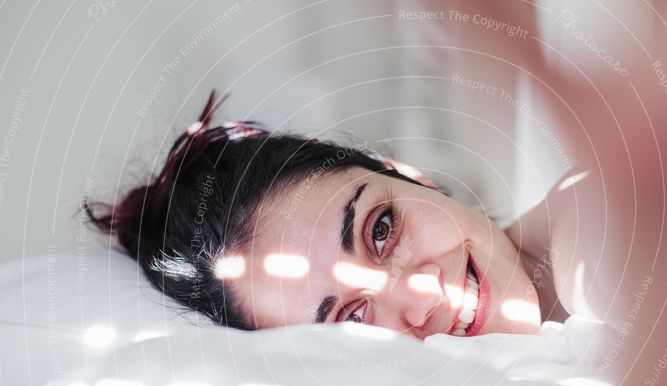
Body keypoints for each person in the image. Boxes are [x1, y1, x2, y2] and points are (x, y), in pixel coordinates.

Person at [87, 90, 568, 339]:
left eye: (381, 229)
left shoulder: (600, 238)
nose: (421, 295)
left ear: (405, 174)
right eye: (352, 320)